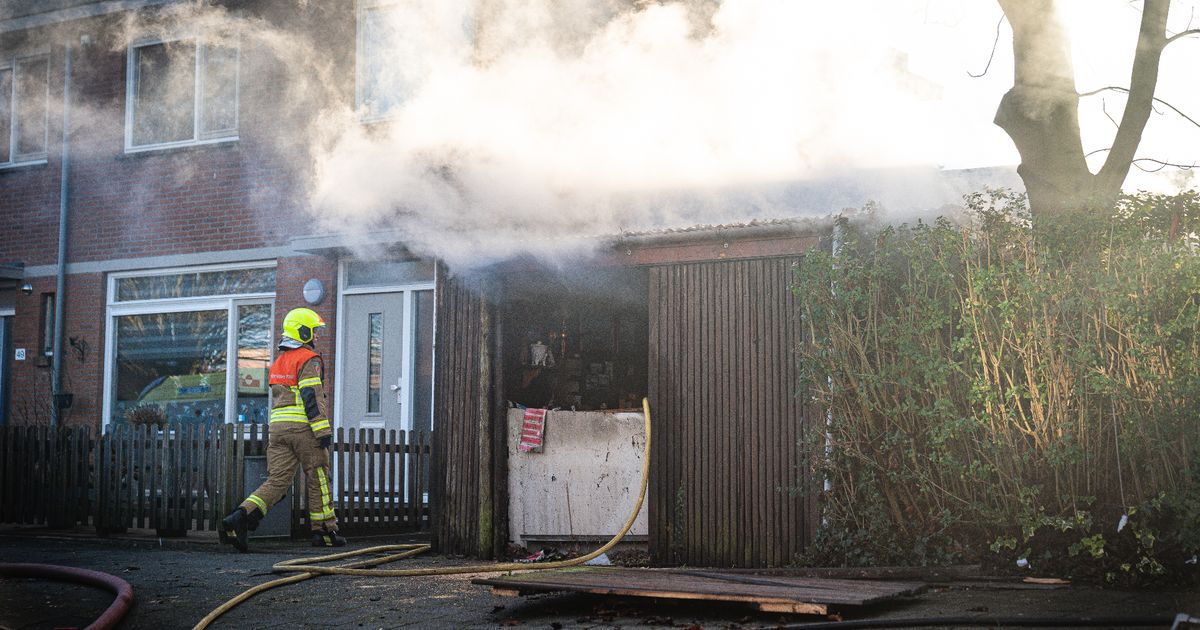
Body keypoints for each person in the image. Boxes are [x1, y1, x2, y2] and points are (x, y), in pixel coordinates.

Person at [220, 307, 346, 551]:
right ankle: (324, 532)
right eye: (313, 331)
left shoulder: (278, 362)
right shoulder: (308, 359)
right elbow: (312, 398)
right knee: (319, 477)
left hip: (278, 431)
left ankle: (240, 517)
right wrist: (322, 431)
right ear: (302, 331)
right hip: (303, 429)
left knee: (277, 481)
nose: (316, 336)